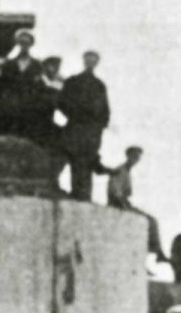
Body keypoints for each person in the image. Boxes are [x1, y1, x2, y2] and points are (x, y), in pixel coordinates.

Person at [97, 146, 168, 263]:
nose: (136, 160)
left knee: (151, 221)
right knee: (150, 221)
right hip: (117, 204)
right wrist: (125, 207)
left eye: (138, 157)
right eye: (134, 156)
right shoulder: (120, 170)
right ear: (128, 156)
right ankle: (157, 252)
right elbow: (115, 194)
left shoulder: (127, 172)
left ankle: (155, 252)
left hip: (124, 203)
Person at [59, 51, 110, 201]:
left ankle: (83, 195)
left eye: (94, 61)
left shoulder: (99, 85)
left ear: (97, 63)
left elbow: (105, 112)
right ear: (84, 61)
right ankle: (67, 191)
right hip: (75, 127)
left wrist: (98, 129)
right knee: (70, 157)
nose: (91, 63)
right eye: (88, 60)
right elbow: (62, 102)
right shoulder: (72, 81)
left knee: (87, 162)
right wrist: (76, 114)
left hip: (91, 132)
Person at [0, 29, 42, 138]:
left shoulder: (37, 65)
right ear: (18, 44)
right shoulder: (9, 64)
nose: (24, 46)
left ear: (31, 44)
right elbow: (2, 84)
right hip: (11, 103)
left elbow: (38, 87)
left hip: (28, 104)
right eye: (22, 43)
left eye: (27, 43)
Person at [29, 56, 64, 149]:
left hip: (48, 115)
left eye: (57, 67)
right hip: (33, 113)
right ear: (45, 66)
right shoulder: (37, 78)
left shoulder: (58, 82)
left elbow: (59, 100)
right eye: (52, 66)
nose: (55, 69)